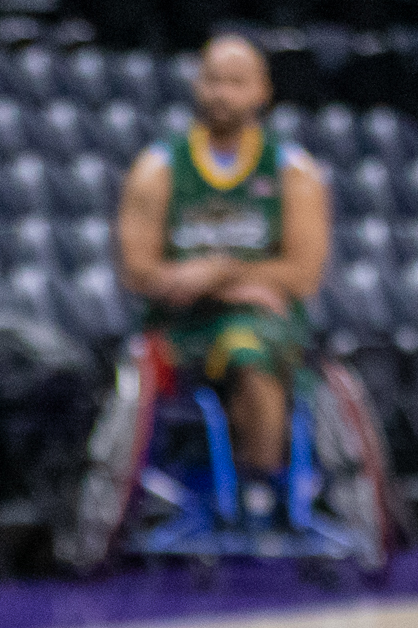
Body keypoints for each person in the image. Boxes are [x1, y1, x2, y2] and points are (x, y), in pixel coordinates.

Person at [115, 32, 329, 530]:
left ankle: (259, 484)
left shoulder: (292, 170)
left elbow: (303, 274)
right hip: (179, 328)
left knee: (245, 346)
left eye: (236, 82)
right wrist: (238, 284)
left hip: (264, 329)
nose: (221, 93)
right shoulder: (158, 167)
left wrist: (215, 271)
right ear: (196, 85)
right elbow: (139, 271)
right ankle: (251, 487)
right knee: (237, 341)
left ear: (262, 92)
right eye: (212, 80)